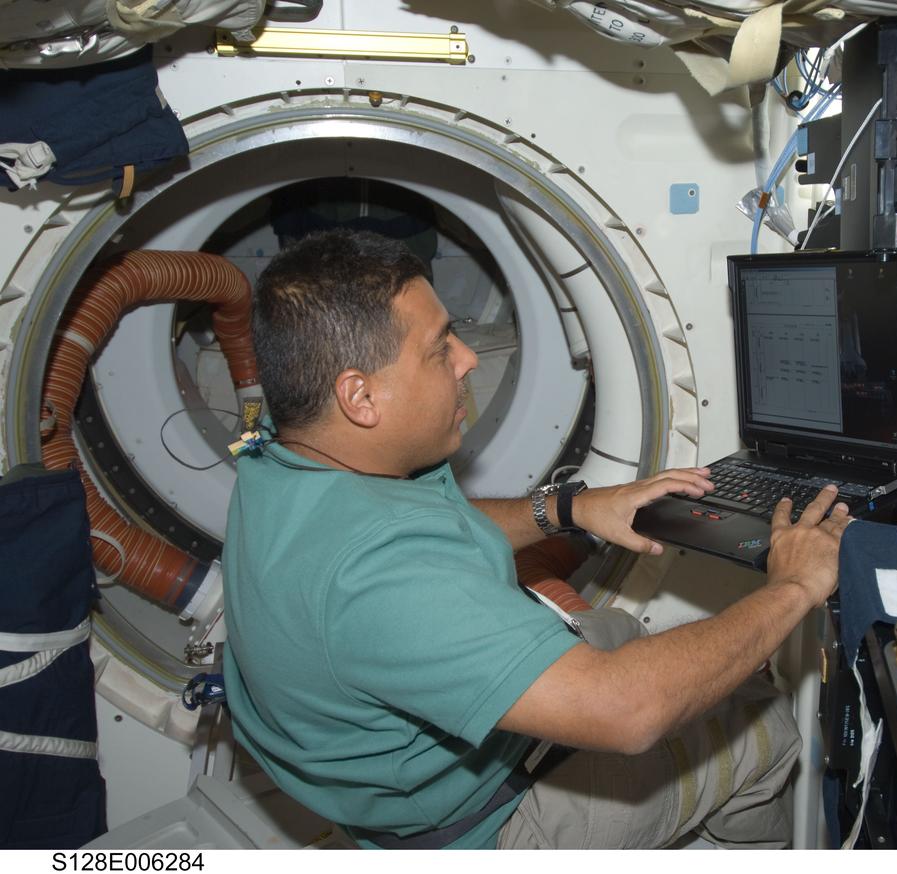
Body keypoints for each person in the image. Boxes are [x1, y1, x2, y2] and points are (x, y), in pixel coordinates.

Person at [221, 229, 852, 849]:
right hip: (493, 823)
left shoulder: (285, 450)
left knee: (636, 644)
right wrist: (796, 583)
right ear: (360, 397)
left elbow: (428, 529)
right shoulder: (382, 578)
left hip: (433, 778)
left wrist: (571, 508)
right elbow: (627, 713)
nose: (468, 358)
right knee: (763, 722)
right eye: (440, 347)